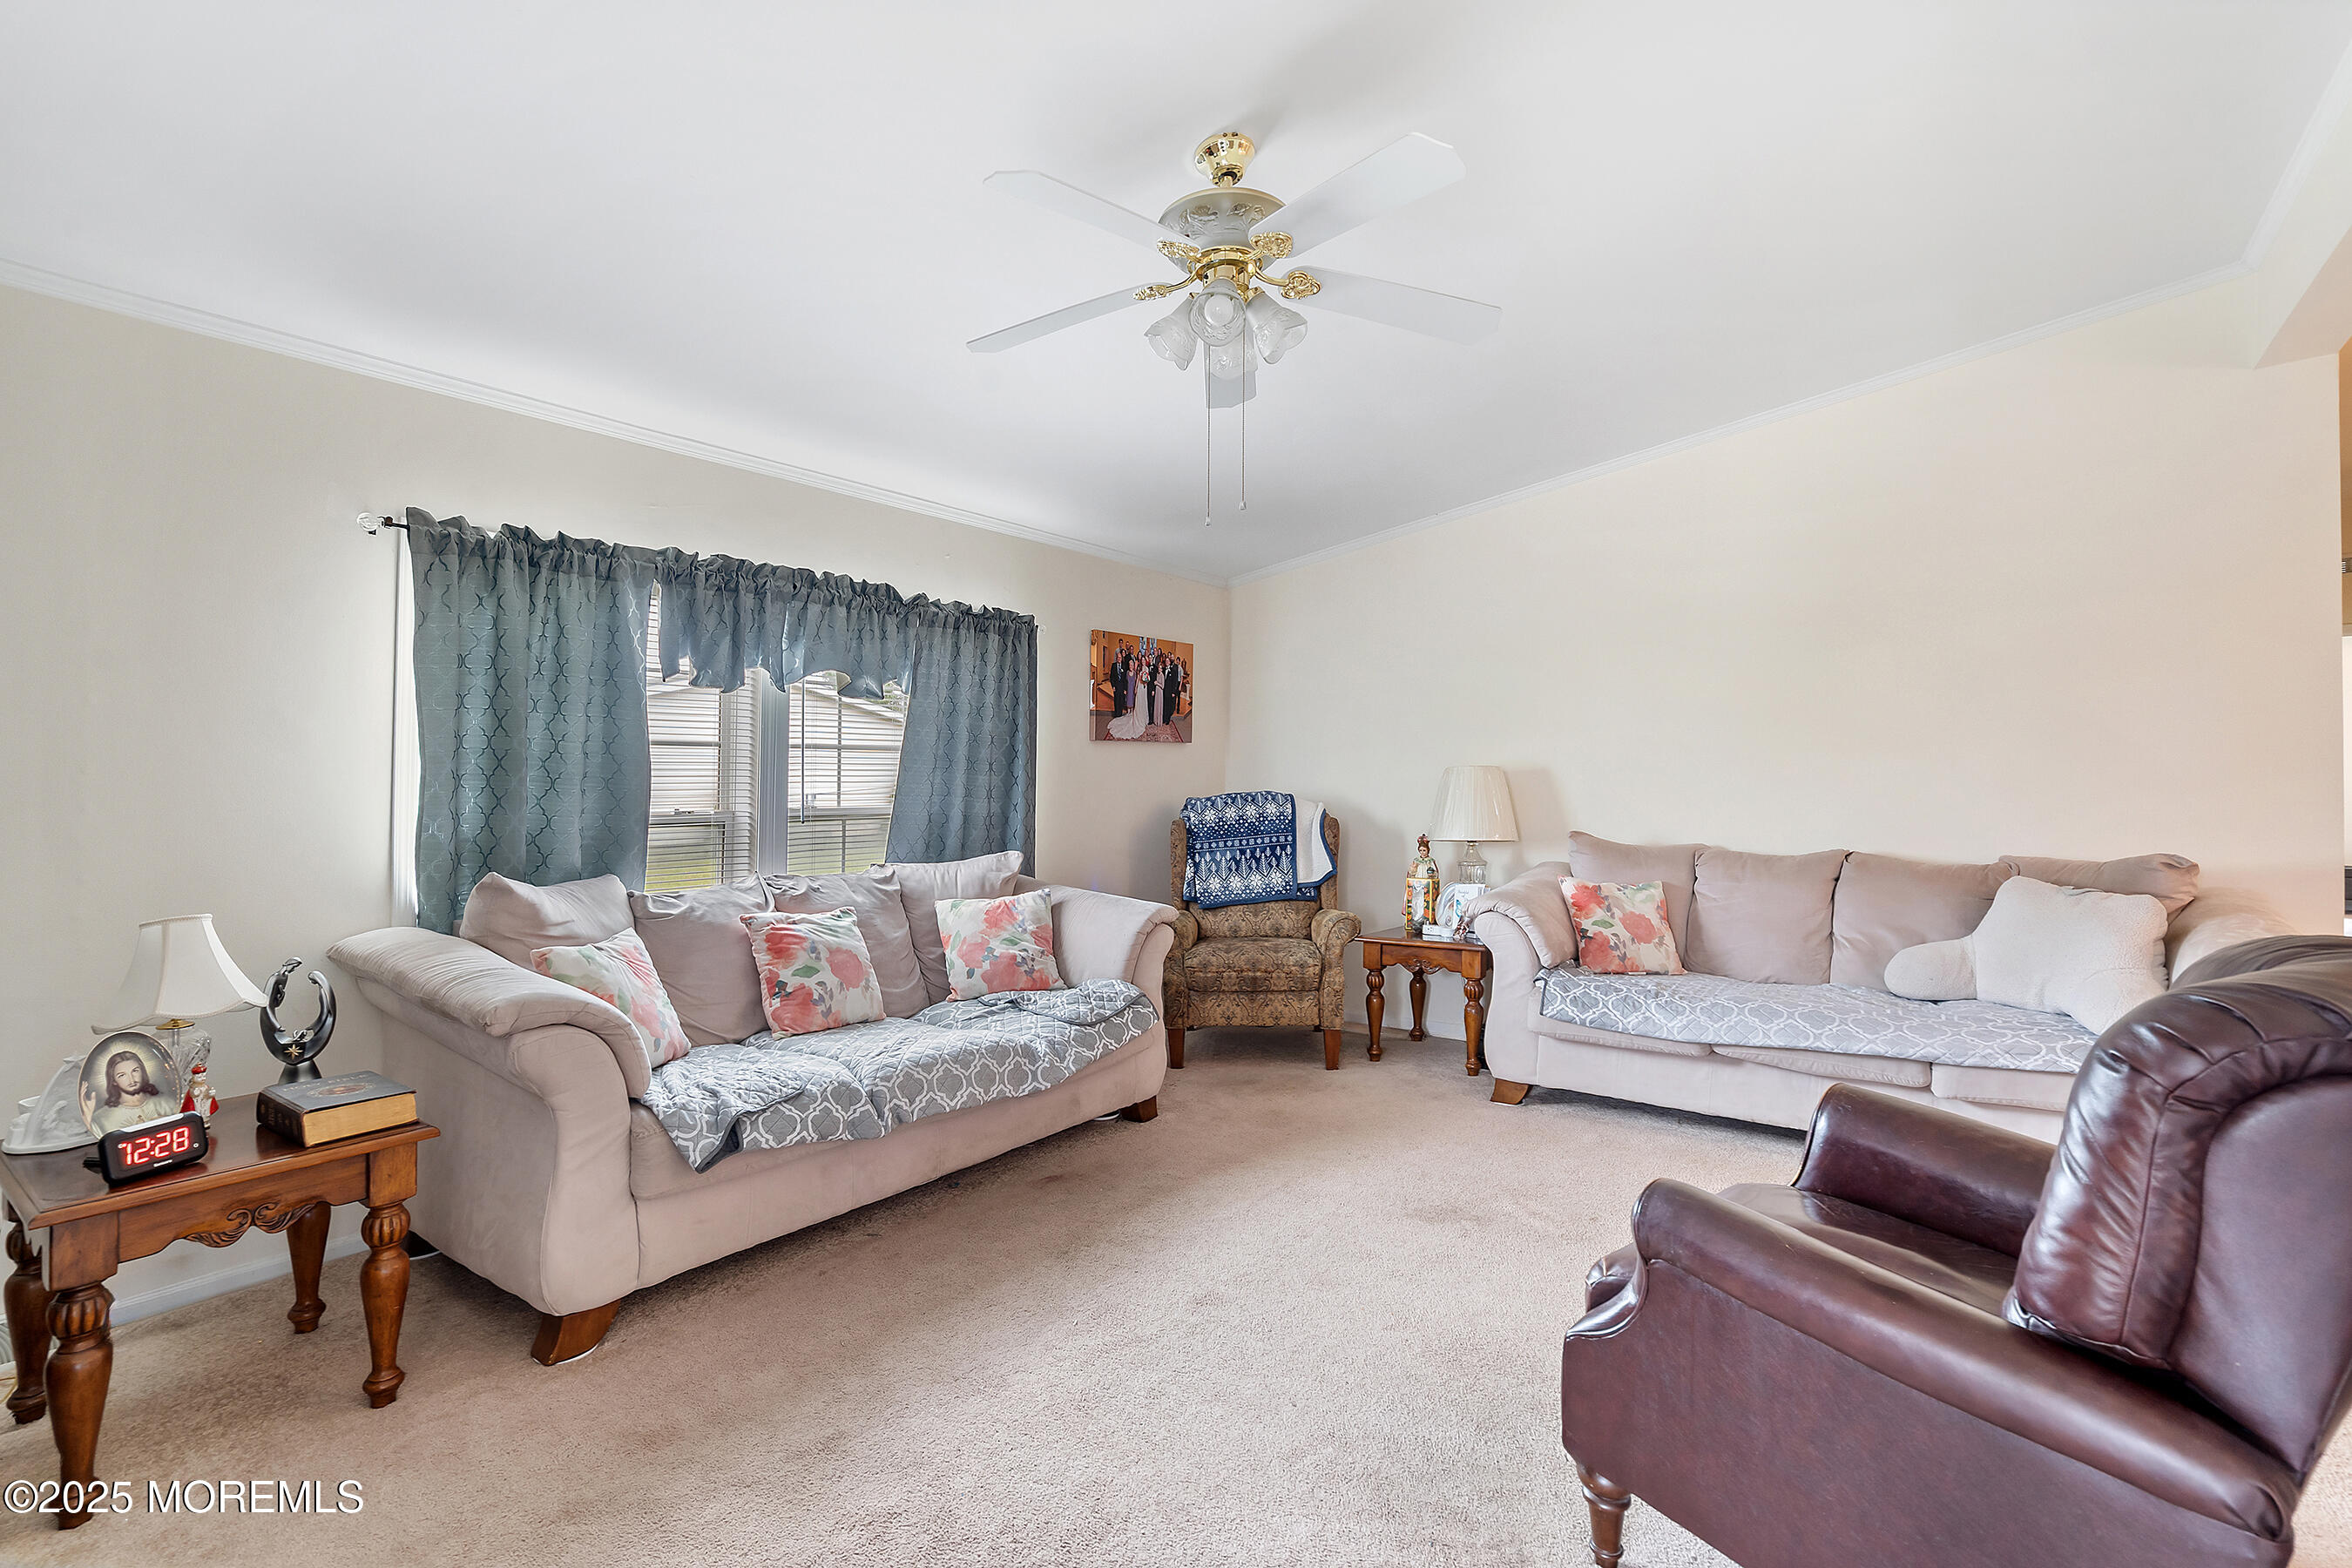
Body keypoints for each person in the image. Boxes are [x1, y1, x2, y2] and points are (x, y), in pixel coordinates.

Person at [86, 1048, 169, 1135]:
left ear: (143, 1072)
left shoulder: (166, 1102)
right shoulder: (102, 1119)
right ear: (113, 1080)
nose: (131, 1079)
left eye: (135, 1071)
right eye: (122, 1075)